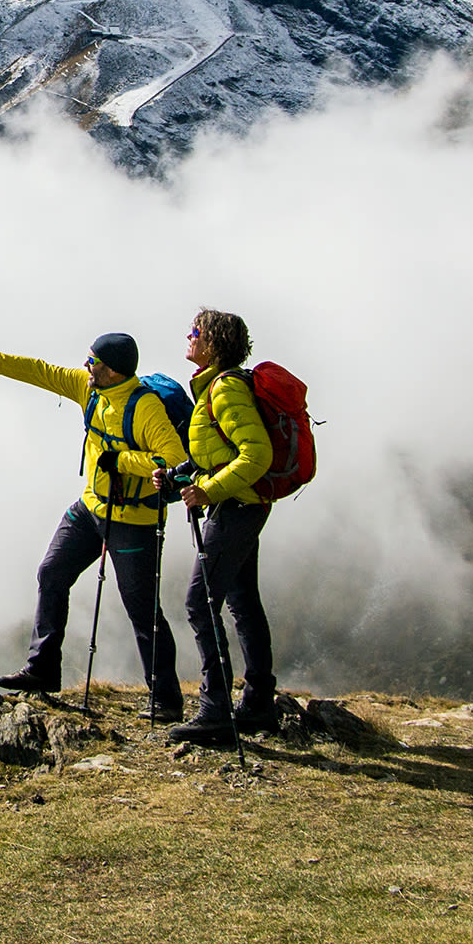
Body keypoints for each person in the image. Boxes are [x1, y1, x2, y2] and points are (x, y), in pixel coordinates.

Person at [0, 331, 189, 722]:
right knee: (51, 572)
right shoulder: (88, 388)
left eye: (93, 362)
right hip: (91, 508)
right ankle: (43, 669)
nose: (85, 367)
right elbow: (37, 371)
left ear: (112, 370)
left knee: (142, 610)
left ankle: (167, 700)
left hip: (133, 520)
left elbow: (174, 460)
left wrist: (120, 461)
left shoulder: (145, 409)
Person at [164, 308, 277, 748]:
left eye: (195, 332)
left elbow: (256, 455)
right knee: (243, 602)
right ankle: (258, 703)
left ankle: (216, 709)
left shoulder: (226, 389)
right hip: (242, 505)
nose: (188, 337)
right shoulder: (216, 387)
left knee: (199, 602)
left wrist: (208, 491)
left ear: (211, 343)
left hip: (235, 507)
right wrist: (181, 474)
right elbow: (218, 451)